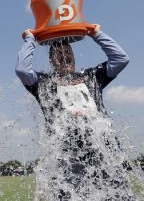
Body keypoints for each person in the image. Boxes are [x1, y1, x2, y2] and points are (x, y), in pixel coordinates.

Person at [15, 25, 133, 200]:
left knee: (118, 195)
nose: (64, 56)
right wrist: (30, 39)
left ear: (74, 56)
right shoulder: (43, 82)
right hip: (68, 156)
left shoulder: (92, 76)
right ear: (51, 60)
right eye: (59, 53)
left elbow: (121, 59)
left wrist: (96, 34)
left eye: (68, 51)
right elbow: (23, 70)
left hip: (103, 149)